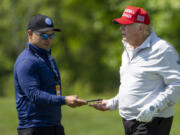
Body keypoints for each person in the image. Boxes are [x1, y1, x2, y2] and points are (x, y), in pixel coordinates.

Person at [90, 5, 180, 135]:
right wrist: (112, 103)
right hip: (129, 121)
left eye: (126, 25)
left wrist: (154, 107)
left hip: (154, 120)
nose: (121, 28)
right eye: (121, 25)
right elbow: (132, 86)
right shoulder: (127, 49)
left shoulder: (163, 50)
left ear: (140, 27)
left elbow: (177, 85)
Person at [14, 14, 87, 135]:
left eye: (51, 35)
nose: (48, 39)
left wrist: (66, 101)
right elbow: (34, 95)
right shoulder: (26, 61)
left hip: (54, 125)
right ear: (29, 34)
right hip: (34, 128)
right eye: (43, 35)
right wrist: (64, 100)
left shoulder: (48, 58)